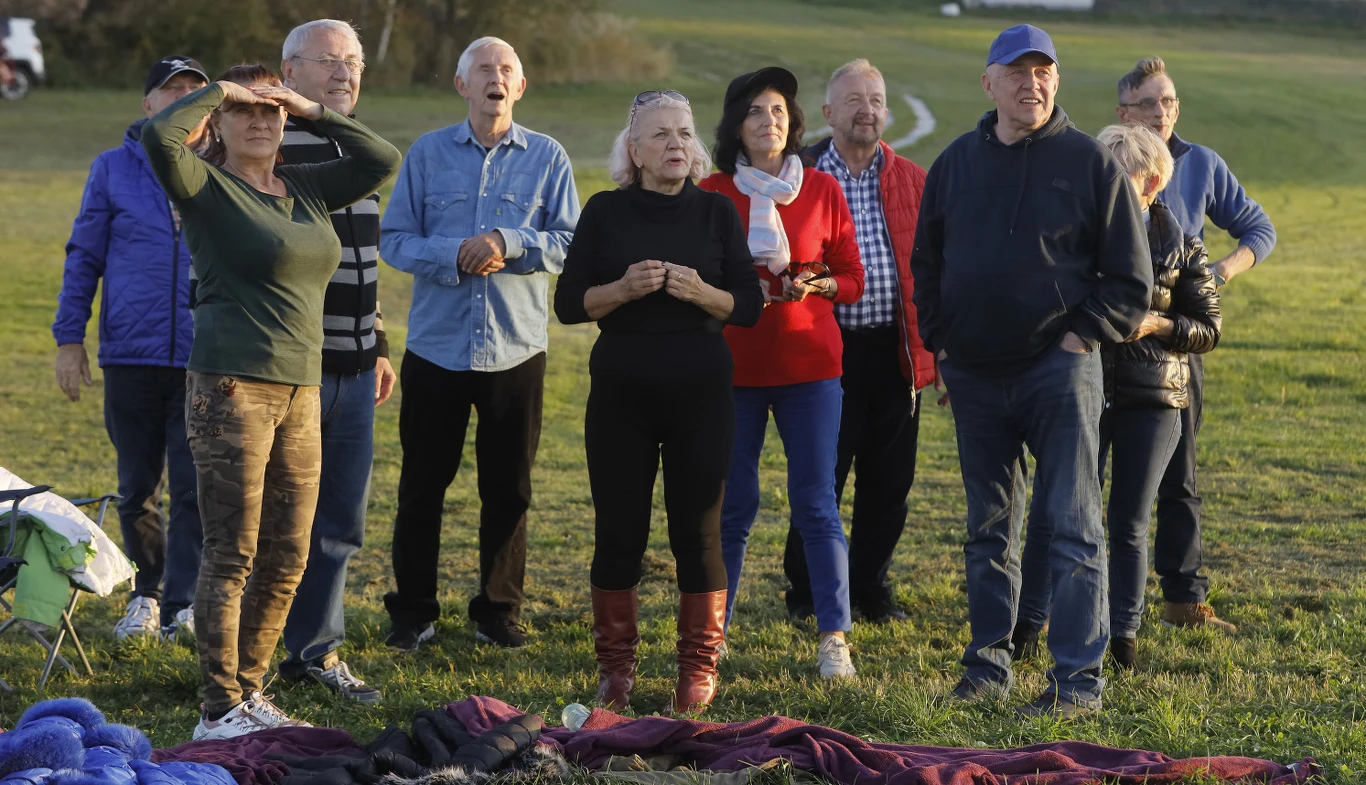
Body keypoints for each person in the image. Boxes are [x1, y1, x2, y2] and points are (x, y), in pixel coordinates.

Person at [141, 63, 401, 739]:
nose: (260, 121)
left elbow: (381, 157)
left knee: (288, 552)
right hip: (231, 387)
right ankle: (217, 706)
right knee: (233, 551)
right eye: (246, 111)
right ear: (219, 124)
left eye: (270, 112)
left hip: (302, 388)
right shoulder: (205, 185)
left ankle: (250, 690)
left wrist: (310, 107)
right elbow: (157, 138)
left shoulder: (308, 187)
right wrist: (220, 91)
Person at [910, 25, 1152, 717]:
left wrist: (1080, 338)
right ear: (989, 84)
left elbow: (1129, 279)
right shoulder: (956, 163)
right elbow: (926, 265)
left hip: (1059, 369)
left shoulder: (1087, 163)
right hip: (976, 374)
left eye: (1044, 71)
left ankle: (1077, 682)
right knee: (988, 525)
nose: (1032, 83)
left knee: (1073, 523)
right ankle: (988, 665)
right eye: (1017, 72)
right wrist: (943, 344)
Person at [554, 90, 763, 714]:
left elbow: (749, 306)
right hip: (622, 392)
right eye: (662, 135)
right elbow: (569, 305)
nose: (677, 145)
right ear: (635, 151)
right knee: (619, 530)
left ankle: (697, 668)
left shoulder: (718, 213)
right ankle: (616, 670)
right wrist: (620, 288)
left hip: (701, 391)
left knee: (698, 533)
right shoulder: (604, 211)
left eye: (685, 133)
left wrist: (702, 293)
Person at [380, 36, 579, 652]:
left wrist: (507, 241)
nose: (496, 77)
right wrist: (455, 254)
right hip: (436, 349)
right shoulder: (427, 154)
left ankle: (497, 611)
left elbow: (571, 241)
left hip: (517, 352)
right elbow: (394, 240)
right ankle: (413, 611)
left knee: (509, 487)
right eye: (483, 69)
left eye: (507, 70)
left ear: (520, 88)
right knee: (421, 485)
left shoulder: (549, 157)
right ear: (462, 85)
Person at [1015, 123, 1222, 670]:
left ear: (1151, 182)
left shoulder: (1183, 247)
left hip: (1153, 399)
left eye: (1113, 174)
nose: (1097, 186)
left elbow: (1207, 328)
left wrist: (1155, 324)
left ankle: (1123, 637)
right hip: (1080, 388)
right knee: (1051, 509)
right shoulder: (1074, 238)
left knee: (1128, 522)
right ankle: (1026, 626)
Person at [699, 67, 865, 680]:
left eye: (777, 112)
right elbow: (700, 276)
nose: (768, 121)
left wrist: (817, 282)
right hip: (736, 372)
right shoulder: (713, 191)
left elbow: (853, 277)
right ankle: (711, 637)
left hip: (811, 370)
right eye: (754, 113)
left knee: (817, 504)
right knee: (734, 508)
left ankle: (833, 638)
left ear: (793, 124)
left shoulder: (821, 190)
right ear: (736, 129)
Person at [1115, 55, 1276, 633]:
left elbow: (1260, 228)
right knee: (1087, 478)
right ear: (1123, 111)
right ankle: (1073, 598)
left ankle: (1184, 600)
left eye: (1170, 102)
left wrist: (1218, 274)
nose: (1162, 113)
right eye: (1150, 103)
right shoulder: (1102, 161)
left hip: (1176, 353)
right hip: (1104, 354)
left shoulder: (1201, 163)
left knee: (1179, 478)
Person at [53, 55, 211, 642]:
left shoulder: (222, 169)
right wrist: (70, 339)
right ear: (147, 104)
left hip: (207, 357)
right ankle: (147, 593)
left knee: (196, 485)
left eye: (196, 91)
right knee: (138, 485)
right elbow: (84, 256)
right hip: (130, 354)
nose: (183, 100)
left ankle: (183, 604)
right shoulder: (113, 169)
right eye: (171, 91)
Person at [783, 58, 935, 625]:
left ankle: (869, 587)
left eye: (875, 99)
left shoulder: (912, 179)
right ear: (828, 113)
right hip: (824, 351)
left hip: (892, 352)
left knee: (888, 482)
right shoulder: (797, 176)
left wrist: (933, 353)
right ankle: (806, 592)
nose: (867, 110)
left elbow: (932, 269)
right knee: (822, 478)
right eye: (853, 100)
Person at [275, 18, 394, 704]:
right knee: (277, 516)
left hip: (355, 368)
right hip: (293, 368)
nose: (347, 72)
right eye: (329, 61)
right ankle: (248, 653)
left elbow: (360, 265)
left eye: (353, 61)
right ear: (290, 72)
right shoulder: (270, 146)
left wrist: (376, 341)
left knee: (340, 519)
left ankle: (315, 650)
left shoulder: (360, 149)